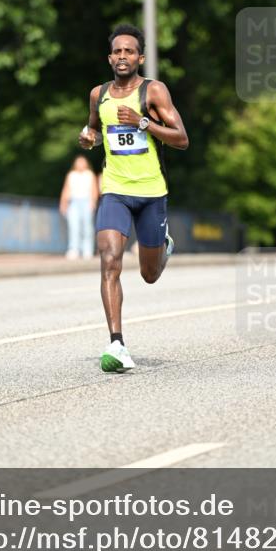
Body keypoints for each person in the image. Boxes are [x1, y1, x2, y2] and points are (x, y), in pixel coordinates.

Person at [78, 23, 189, 373]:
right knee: (109, 258)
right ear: (109, 58)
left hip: (152, 193)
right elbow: (95, 129)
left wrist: (143, 123)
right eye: (117, 51)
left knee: (149, 274)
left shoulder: (154, 92)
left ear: (139, 57)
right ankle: (117, 343)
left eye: (129, 51)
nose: (122, 56)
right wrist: (89, 139)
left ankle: (163, 246)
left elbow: (181, 138)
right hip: (115, 189)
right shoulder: (99, 94)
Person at [59, 156, 99, 259]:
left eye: (82, 162)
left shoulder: (90, 175)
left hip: (86, 201)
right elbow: (66, 189)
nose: (80, 165)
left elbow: (94, 189)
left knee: (87, 227)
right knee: (74, 226)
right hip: (73, 202)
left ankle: (87, 250)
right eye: (78, 162)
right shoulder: (71, 175)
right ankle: (74, 249)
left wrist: (93, 202)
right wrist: (63, 203)